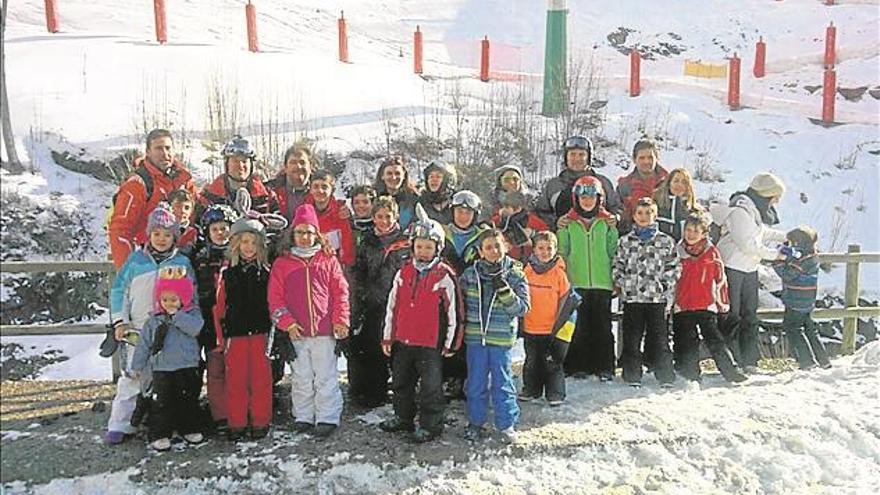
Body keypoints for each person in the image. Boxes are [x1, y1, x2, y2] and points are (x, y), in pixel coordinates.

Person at [105, 203, 197, 445]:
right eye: (157, 233)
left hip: (168, 330)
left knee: (166, 378)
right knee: (133, 374)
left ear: (175, 237)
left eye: (168, 234)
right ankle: (120, 423)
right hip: (137, 327)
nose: (162, 239)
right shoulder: (135, 261)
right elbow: (119, 291)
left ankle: (166, 423)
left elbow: (191, 296)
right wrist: (119, 320)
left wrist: (186, 321)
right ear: (149, 234)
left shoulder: (182, 263)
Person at [269, 204, 350, 439]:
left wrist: (341, 319)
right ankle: (303, 415)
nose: (305, 237)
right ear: (292, 234)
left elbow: (341, 292)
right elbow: (275, 298)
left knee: (325, 375)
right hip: (298, 331)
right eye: (300, 232)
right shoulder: (283, 264)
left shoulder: (327, 260)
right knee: (301, 375)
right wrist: (287, 323)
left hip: (325, 330)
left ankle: (328, 415)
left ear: (317, 234)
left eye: (309, 232)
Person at [379, 211, 460, 443]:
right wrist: (387, 337)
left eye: (428, 247)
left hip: (430, 343)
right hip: (403, 341)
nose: (423, 252)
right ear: (412, 247)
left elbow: (454, 311)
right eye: (419, 247)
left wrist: (451, 342)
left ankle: (430, 424)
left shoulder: (444, 275)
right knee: (401, 382)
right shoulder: (403, 272)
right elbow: (392, 306)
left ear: (438, 248)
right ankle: (403, 417)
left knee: (430, 388)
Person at [709, 172, 788, 372]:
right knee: (732, 316)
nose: (777, 201)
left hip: (749, 268)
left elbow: (760, 232)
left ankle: (750, 361)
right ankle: (732, 361)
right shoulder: (740, 211)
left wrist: (787, 236)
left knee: (750, 316)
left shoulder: (753, 211)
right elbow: (748, 244)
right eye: (775, 196)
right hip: (732, 267)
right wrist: (775, 255)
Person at [460, 229, 530, 443]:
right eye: (488, 247)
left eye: (497, 246)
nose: (494, 251)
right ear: (480, 251)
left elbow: (523, 308)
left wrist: (504, 290)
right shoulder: (470, 275)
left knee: (503, 382)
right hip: (475, 339)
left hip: (501, 340)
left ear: (506, 247)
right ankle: (476, 422)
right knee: (476, 382)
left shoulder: (515, 274)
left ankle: (506, 423)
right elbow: (459, 305)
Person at [131, 267, 204, 451]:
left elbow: (196, 328)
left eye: (173, 299)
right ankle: (160, 433)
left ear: (183, 299)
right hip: (162, 368)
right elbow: (144, 345)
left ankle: (189, 428)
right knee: (162, 403)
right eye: (164, 299)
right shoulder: (154, 320)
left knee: (188, 401)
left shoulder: (191, 314)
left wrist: (177, 316)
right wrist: (138, 365)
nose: (168, 303)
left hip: (187, 365)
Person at [213, 217, 273, 441]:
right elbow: (219, 308)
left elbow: (273, 303)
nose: (249, 247)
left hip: (260, 334)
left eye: (254, 243)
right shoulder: (227, 274)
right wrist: (221, 337)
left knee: (260, 380)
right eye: (245, 242)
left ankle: (260, 420)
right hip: (235, 336)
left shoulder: (267, 273)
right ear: (236, 244)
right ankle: (236, 422)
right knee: (236, 381)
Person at [349, 196, 412, 408]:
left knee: (399, 350)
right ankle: (374, 391)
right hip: (373, 303)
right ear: (373, 218)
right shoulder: (368, 240)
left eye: (388, 216)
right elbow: (358, 271)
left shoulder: (406, 242)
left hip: (399, 304)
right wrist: (361, 295)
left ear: (395, 217)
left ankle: (403, 391)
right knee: (373, 348)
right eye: (379, 217)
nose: (384, 221)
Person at [672, 213, 748, 384]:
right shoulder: (677, 252)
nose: (691, 234)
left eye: (695, 231)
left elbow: (720, 280)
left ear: (704, 233)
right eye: (688, 230)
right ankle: (690, 374)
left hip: (706, 304)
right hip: (683, 305)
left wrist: (723, 304)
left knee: (715, 341)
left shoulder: (712, 253)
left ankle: (731, 371)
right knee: (687, 341)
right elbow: (672, 279)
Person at [613, 197, 681, 387]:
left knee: (659, 338)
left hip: (656, 299)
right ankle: (632, 375)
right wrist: (623, 283)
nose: (644, 217)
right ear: (634, 216)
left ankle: (665, 375)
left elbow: (674, 266)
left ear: (655, 215)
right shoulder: (625, 241)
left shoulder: (665, 241)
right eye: (640, 213)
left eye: (648, 213)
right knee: (632, 338)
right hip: (633, 298)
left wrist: (664, 285)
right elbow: (617, 265)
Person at [557, 176, 618, 380]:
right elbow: (562, 252)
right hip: (577, 281)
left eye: (592, 197)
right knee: (579, 326)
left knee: (602, 326)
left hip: (602, 281)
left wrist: (616, 278)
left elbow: (613, 251)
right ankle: (577, 365)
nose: (587, 201)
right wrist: (564, 279)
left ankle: (605, 367)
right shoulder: (568, 223)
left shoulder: (607, 223)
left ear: (599, 198)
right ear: (576, 199)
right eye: (582, 197)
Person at [109, 128, 197, 270]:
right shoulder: (137, 184)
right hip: (149, 263)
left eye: (168, 148)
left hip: (183, 262)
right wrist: (128, 273)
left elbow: (198, 214)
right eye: (158, 148)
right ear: (148, 152)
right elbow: (120, 231)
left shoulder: (183, 180)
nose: (165, 153)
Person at [190, 204, 238, 429]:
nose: (221, 233)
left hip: (236, 321)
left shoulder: (240, 255)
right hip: (209, 322)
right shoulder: (200, 259)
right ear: (207, 232)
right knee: (216, 369)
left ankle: (239, 408)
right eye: (216, 229)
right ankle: (220, 413)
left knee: (236, 368)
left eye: (225, 228)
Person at [439, 189, 488, 399]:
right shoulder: (442, 232)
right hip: (445, 295)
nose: (463, 216)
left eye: (468, 212)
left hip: (471, 295)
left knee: (467, 337)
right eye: (459, 211)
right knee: (447, 333)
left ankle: (465, 378)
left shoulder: (481, 236)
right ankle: (446, 378)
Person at [521, 231, 578, 406]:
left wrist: (561, 326)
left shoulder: (559, 274)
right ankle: (532, 389)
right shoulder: (527, 271)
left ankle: (555, 393)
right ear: (534, 249)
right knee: (532, 361)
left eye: (549, 248)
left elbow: (567, 300)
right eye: (541, 248)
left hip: (552, 328)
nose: (545, 252)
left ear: (555, 250)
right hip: (531, 326)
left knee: (552, 363)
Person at [772, 226, 831, 370]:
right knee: (811, 329)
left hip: (795, 301)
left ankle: (807, 361)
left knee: (793, 329)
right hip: (808, 301)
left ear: (798, 243)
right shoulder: (812, 256)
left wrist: (778, 261)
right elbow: (797, 261)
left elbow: (788, 274)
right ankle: (823, 360)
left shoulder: (802, 261)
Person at [534, 135, 621, 231]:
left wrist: (615, 218)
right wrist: (555, 222)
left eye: (581, 155)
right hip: (563, 240)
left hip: (598, 239)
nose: (577, 159)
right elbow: (540, 213)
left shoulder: (603, 183)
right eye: (572, 154)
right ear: (566, 157)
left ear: (588, 158)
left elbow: (617, 208)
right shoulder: (553, 186)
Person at [198, 136, 278, 218]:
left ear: (251, 165)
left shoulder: (267, 197)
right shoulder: (209, 197)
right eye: (235, 161)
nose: (240, 166)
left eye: (244, 161)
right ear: (227, 164)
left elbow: (277, 225)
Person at [617, 139, 669, 232]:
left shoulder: (669, 182)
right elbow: (620, 215)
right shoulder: (624, 186)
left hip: (665, 240)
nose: (646, 162)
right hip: (634, 240)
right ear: (634, 159)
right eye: (642, 158)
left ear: (657, 158)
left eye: (650, 157)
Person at [306, 170, 355, 267]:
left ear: (332, 190)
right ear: (310, 189)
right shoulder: (304, 212)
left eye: (324, 187)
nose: (320, 191)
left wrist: (346, 266)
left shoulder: (340, 212)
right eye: (315, 187)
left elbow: (346, 243)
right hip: (311, 265)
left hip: (335, 266)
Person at [491, 190, 548, 262]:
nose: (504, 210)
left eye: (507, 207)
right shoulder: (498, 220)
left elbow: (548, 237)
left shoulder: (533, 222)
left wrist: (533, 237)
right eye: (504, 207)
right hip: (506, 260)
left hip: (529, 261)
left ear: (518, 209)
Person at [267, 143, 316, 223]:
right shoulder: (270, 191)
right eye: (293, 162)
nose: (298, 166)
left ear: (310, 167)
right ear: (285, 167)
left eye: (302, 162)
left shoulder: (321, 192)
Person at [653, 168, 701, 242]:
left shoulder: (695, 211)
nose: (679, 185)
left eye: (684, 182)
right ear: (669, 183)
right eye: (676, 181)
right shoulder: (655, 205)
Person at [374, 155, 421, 230]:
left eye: (397, 173)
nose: (394, 177)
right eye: (389, 173)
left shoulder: (414, 199)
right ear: (382, 176)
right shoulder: (374, 198)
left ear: (404, 176)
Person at [417, 160, 457, 225]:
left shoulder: (456, 202)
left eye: (438, 177)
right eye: (431, 177)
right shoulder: (420, 201)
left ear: (447, 181)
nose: (434, 180)